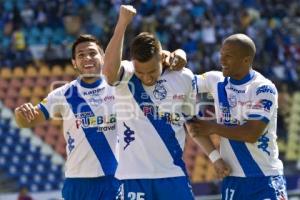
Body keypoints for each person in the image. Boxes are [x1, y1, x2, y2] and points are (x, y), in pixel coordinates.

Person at [103, 5, 230, 200]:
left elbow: (191, 123)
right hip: (133, 178)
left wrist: (215, 157)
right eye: (141, 72)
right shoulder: (127, 75)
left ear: (161, 58)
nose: (146, 78)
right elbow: (109, 74)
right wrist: (122, 24)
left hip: (173, 176)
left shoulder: (182, 77)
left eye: (152, 71)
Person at [15, 34, 120, 200]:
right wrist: (20, 114)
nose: (87, 58)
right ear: (74, 63)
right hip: (78, 182)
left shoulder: (119, 89)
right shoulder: (63, 94)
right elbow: (25, 122)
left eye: (92, 53)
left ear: (103, 57)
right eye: (81, 55)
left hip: (115, 180)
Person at [186, 33, 288, 200]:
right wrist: (174, 59)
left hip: (264, 178)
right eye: (221, 55)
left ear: (246, 60)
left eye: (229, 56)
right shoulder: (215, 80)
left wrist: (212, 127)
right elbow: (180, 85)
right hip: (233, 180)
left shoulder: (263, 88)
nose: (222, 61)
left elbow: (251, 133)